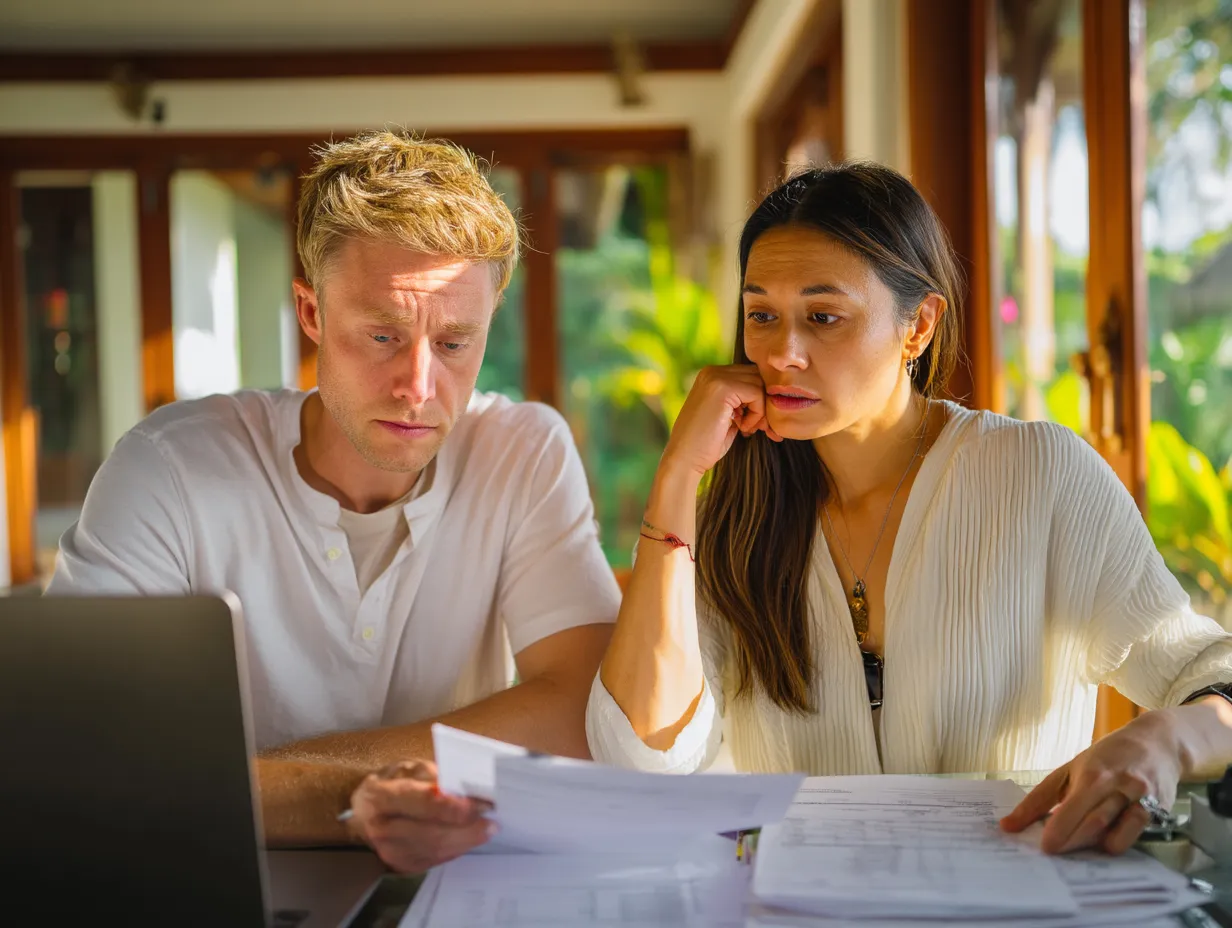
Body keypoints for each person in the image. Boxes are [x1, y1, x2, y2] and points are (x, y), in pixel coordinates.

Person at [587, 162, 1232, 856]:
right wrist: (678, 475)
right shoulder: (730, 520)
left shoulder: (1040, 477)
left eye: (823, 317)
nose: (782, 354)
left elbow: (1205, 672)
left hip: (1013, 907)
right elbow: (641, 759)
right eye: (762, 316)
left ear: (918, 326)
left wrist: (1164, 735)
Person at [48, 130, 619, 873]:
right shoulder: (169, 468)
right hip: (215, 876)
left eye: (454, 344)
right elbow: (70, 751)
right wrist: (353, 798)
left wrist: (255, 783)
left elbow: (582, 712)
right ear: (311, 314)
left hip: (448, 884)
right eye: (382, 334)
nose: (418, 387)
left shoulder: (522, 451)